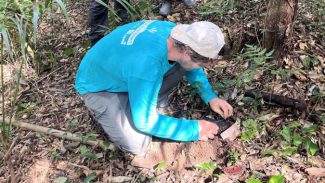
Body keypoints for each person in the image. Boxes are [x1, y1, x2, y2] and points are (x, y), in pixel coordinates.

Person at [75, 20, 234, 156]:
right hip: (99, 86)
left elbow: (192, 66)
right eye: (201, 63)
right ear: (187, 52)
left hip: (128, 69)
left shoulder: (178, 36)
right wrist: (194, 129)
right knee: (137, 144)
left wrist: (210, 97)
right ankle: (119, 107)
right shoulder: (147, 65)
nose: (200, 67)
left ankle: (140, 100)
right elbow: (145, 122)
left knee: (183, 66)